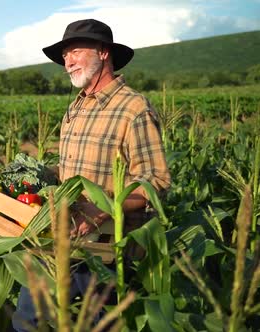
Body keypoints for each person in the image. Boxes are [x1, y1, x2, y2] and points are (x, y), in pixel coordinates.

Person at [12, 18, 171, 331]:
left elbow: (156, 182)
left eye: (74, 51)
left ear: (102, 52)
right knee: (27, 320)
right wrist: (38, 173)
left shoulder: (134, 108)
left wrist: (101, 211)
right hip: (62, 238)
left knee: (101, 325)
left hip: (105, 249)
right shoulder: (75, 108)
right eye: (64, 56)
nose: (67, 61)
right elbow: (71, 171)